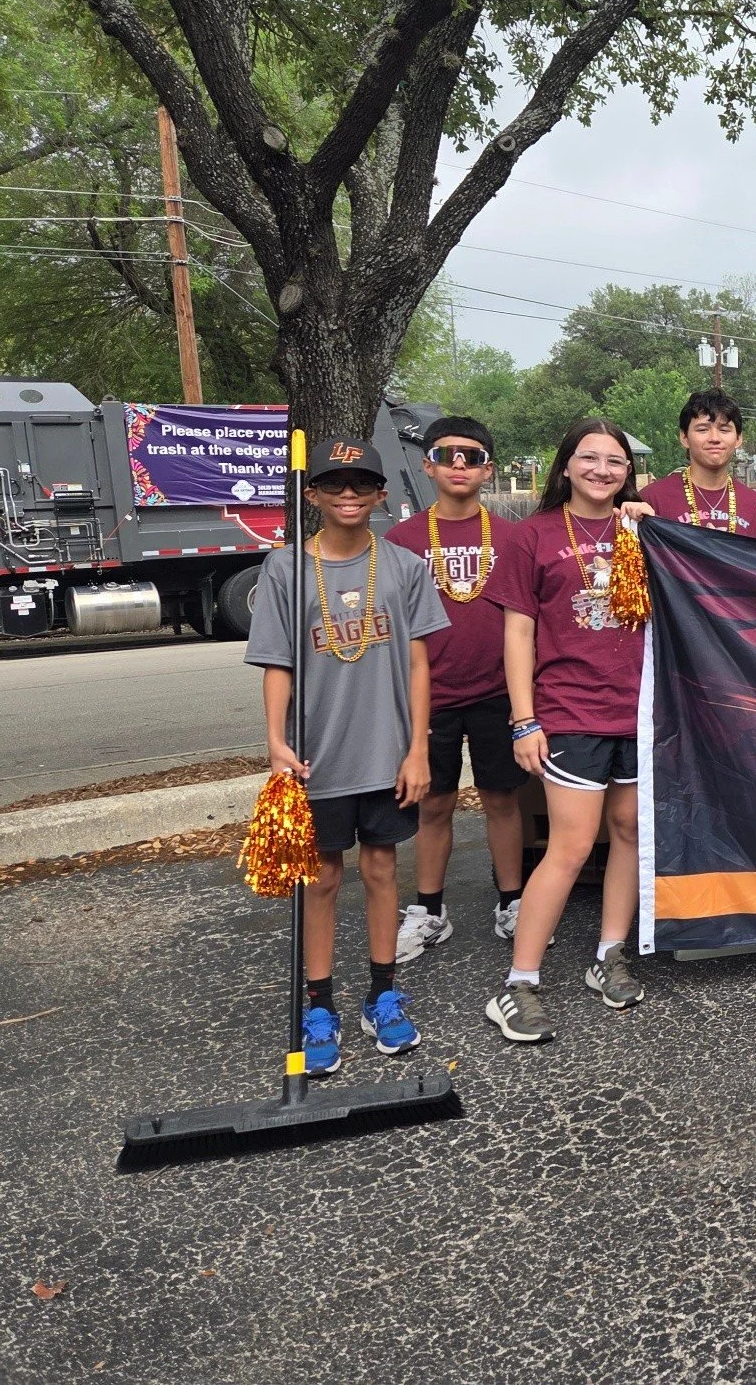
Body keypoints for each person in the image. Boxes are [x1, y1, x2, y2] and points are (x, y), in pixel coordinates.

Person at [245, 435, 447, 1074]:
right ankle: (319, 1003)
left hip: (386, 751)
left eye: (362, 483)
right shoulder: (285, 569)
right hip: (316, 756)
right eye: (335, 483)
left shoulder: (405, 567)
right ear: (314, 494)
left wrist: (418, 747)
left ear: (382, 494)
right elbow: (277, 662)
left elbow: (419, 663)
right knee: (324, 877)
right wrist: (275, 741)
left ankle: (383, 993)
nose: (349, 494)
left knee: (383, 869)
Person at [482, 420, 647, 1044]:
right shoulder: (533, 536)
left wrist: (649, 520)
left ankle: (609, 956)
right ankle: (518, 982)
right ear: (566, 465)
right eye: (590, 458)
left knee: (628, 832)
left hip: (637, 708)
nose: (602, 470)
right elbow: (517, 633)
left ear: (627, 471)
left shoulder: (642, 529)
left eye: (615, 461)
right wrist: (524, 720)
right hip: (570, 710)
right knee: (572, 846)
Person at [385, 417, 528, 961]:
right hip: (431, 695)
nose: (460, 464)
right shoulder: (400, 542)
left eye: (472, 456)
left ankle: (512, 902)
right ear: (428, 465)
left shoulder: (513, 538)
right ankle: (429, 911)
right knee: (434, 804)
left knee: (501, 799)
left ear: (489, 469)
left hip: (497, 691)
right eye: (447, 455)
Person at [639, 389, 756, 539]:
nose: (714, 438)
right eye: (702, 429)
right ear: (684, 437)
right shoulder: (652, 499)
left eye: (724, 429)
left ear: (738, 438)